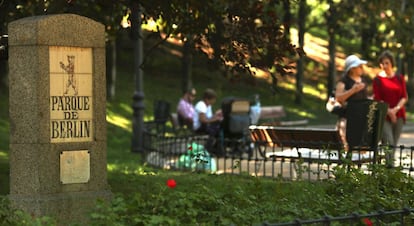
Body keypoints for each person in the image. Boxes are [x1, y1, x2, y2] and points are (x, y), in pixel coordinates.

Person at [373, 50, 408, 166]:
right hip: (384, 116)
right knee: (389, 143)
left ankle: (389, 172)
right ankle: (390, 170)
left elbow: (404, 97)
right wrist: (389, 112)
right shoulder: (377, 80)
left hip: (399, 115)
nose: (384, 66)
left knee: (393, 145)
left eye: (387, 63)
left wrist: (395, 110)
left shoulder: (399, 78)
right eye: (382, 63)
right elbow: (377, 99)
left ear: (392, 63)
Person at [334, 54, 369, 151]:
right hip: (348, 117)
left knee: (361, 147)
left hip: (362, 117)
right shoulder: (344, 81)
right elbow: (338, 97)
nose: (362, 68)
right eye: (359, 66)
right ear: (352, 68)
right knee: (347, 144)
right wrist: (353, 90)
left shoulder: (363, 80)